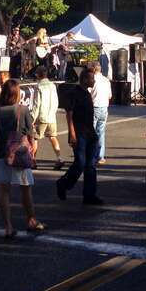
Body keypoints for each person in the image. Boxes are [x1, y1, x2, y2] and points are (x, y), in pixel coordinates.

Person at [0, 79, 45, 237]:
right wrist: (32, 154)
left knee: (4, 191)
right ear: (18, 94)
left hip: (2, 152)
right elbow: (30, 133)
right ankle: (31, 220)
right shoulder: (23, 110)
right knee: (25, 188)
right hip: (20, 153)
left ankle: (8, 227)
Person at [57, 69, 102, 205]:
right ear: (84, 80)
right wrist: (72, 133)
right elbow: (69, 114)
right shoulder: (74, 93)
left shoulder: (87, 94)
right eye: (91, 78)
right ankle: (63, 183)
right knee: (80, 163)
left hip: (90, 134)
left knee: (91, 165)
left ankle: (89, 195)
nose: (94, 81)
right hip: (79, 133)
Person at [31, 66, 64, 170]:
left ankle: (33, 160)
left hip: (41, 115)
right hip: (51, 115)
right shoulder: (53, 85)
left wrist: (32, 118)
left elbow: (37, 104)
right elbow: (56, 100)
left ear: (38, 75)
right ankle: (59, 158)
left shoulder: (38, 86)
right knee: (53, 136)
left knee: (35, 138)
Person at [90, 63, 112, 164]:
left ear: (93, 69)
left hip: (94, 107)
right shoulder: (106, 80)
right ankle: (100, 156)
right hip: (104, 107)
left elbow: (88, 93)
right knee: (101, 132)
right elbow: (109, 96)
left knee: (91, 133)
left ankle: (91, 156)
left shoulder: (92, 79)